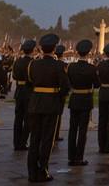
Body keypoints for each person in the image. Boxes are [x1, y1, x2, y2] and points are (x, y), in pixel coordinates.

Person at [26, 33, 70, 183]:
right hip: (51, 104)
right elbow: (65, 87)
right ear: (54, 48)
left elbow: (30, 82)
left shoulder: (33, 64)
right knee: (47, 139)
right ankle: (42, 170)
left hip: (35, 104)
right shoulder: (59, 65)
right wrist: (57, 97)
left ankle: (32, 172)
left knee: (34, 138)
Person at [66, 39, 99, 166]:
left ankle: (71, 156)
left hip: (74, 98)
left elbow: (68, 82)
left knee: (72, 129)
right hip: (85, 100)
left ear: (77, 52)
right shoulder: (92, 68)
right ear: (89, 52)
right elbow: (97, 84)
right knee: (82, 130)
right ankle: (79, 157)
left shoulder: (71, 67)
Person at [12, 39, 37, 151]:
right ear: (32, 50)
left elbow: (14, 76)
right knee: (28, 119)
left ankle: (16, 142)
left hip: (19, 91)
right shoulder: (33, 63)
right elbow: (33, 78)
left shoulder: (17, 61)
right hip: (29, 92)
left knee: (18, 118)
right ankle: (23, 142)